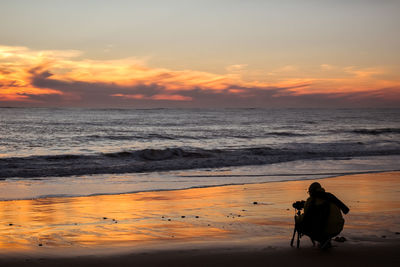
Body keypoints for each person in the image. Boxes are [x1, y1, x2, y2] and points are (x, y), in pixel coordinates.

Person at [301, 182, 350, 249]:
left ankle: (322, 240)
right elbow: (344, 209)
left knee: (303, 224)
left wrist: (298, 218)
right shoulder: (331, 197)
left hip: (323, 230)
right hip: (337, 228)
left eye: (309, 192)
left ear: (312, 191)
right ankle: (326, 240)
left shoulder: (311, 201)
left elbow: (306, 217)